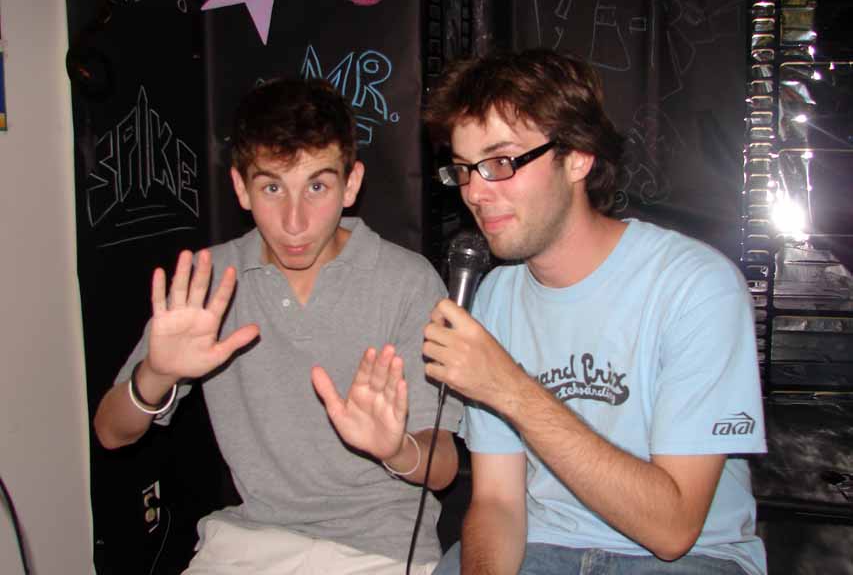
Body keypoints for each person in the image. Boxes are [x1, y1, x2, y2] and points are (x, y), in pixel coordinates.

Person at [93, 78, 461, 574]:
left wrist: (395, 450)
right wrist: (157, 374)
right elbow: (110, 433)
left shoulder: (407, 282)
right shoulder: (209, 282)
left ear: (351, 184)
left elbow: (443, 468)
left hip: (382, 549)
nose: (294, 221)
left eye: (317, 187)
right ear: (241, 188)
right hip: (248, 543)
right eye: (272, 188)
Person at [420, 49, 767, 575]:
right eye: (464, 169)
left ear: (578, 157)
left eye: (501, 162)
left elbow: (673, 530)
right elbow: (497, 504)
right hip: (541, 548)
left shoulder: (697, 286)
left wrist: (510, 388)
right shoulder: (493, 297)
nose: (476, 192)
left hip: (689, 560)